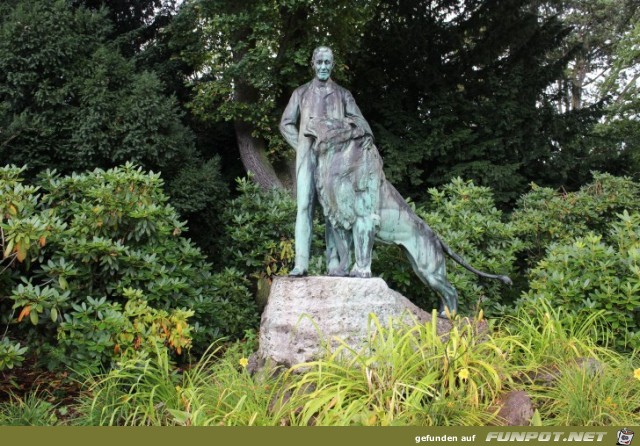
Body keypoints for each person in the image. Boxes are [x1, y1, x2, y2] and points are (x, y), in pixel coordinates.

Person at [280, 46, 373, 276]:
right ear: (313, 63)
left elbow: (361, 124)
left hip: (334, 162)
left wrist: (344, 139)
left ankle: (334, 263)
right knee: (304, 207)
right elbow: (286, 124)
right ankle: (300, 264)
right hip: (307, 159)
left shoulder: (343, 94)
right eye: (319, 62)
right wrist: (301, 145)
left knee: (334, 210)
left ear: (333, 65)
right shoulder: (300, 93)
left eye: (327, 62)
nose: (323, 66)